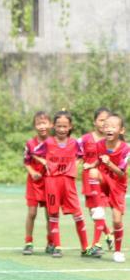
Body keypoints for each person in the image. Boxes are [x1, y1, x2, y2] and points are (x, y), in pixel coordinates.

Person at [33, 111, 98, 258]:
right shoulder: (48, 143)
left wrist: (75, 164)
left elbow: (81, 155)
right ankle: (57, 246)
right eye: (58, 126)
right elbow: (34, 152)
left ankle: (85, 248)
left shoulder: (74, 143)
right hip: (52, 182)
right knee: (53, 214)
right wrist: (45, 163)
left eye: (65, 126)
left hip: (68, 182)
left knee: (78, 214)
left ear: (70, 127)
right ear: (53, 127)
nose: (62, 129)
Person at [90, 113, 130, 262]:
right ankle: (99, 207)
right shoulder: (99, 144)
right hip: (104, 179)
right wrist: (90, 165)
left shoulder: (126, 149)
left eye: (113, 126)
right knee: (93, 172)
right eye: (106, 126)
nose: (109, 128)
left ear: (121, 130)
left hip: (118, 184)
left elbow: (121, 173)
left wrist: (109, 163)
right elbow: (97, 162)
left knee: (117, 220)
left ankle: (118, 251)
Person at [80, 107, 113, 253]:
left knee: (99, 211)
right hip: (88, 179)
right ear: (94, 122)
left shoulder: (111, 140)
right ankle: (108, 234)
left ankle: (96, 245)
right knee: (93, 212)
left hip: (103, 180)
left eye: (106, 120)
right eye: (101, 120)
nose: (104, 123)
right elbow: (74, 153)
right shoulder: (85, 139)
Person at [22, 111, 53, 255]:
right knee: (32, 213)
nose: (42, 126)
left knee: (50, 214)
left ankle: (51, 242)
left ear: (50, 125)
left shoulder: (54, 143)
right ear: (35, 126)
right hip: (34, 183)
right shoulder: (30, 143)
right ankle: (28, 242)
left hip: (49, 182)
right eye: (39, 123)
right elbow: (26, 162)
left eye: (44, 123)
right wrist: (32, 172)